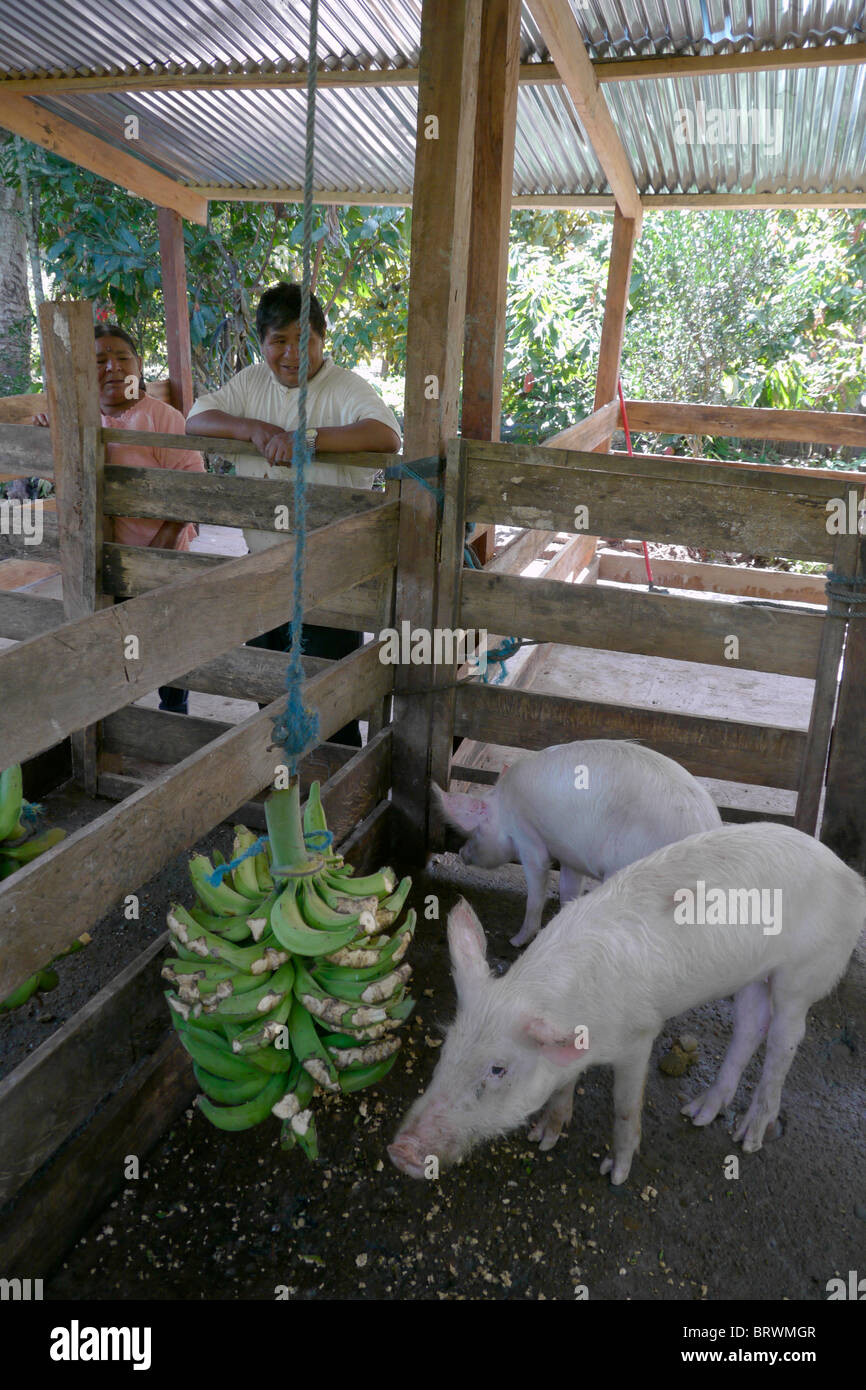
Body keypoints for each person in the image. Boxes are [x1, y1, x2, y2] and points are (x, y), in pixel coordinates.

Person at [186, 282, 401, 745]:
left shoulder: (344, 386)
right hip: (263, 565)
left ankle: (336, 794)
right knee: (268, 688)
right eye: (278, 341)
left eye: (304, 340)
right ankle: (280, 786)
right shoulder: (250, 383)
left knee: (330, 694)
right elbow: (196, 419)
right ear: (262, 343)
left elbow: (386, 435)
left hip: (330, 570)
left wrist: (305, 439)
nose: (290, 353)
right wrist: (254, 430)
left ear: (324, 340)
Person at [34, 323, 205, 714]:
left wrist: (156, 555)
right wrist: (50, 437)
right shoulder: (77, 419)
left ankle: (173, 716)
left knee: (165, 644)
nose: (112, 366)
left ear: (139, 366)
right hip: (100, 559)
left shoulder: (162, 418)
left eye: (122, 357)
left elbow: (190, 489)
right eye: (98, 360)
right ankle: (113, 726)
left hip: (160, 556)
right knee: (107, 647)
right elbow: (63, 477)